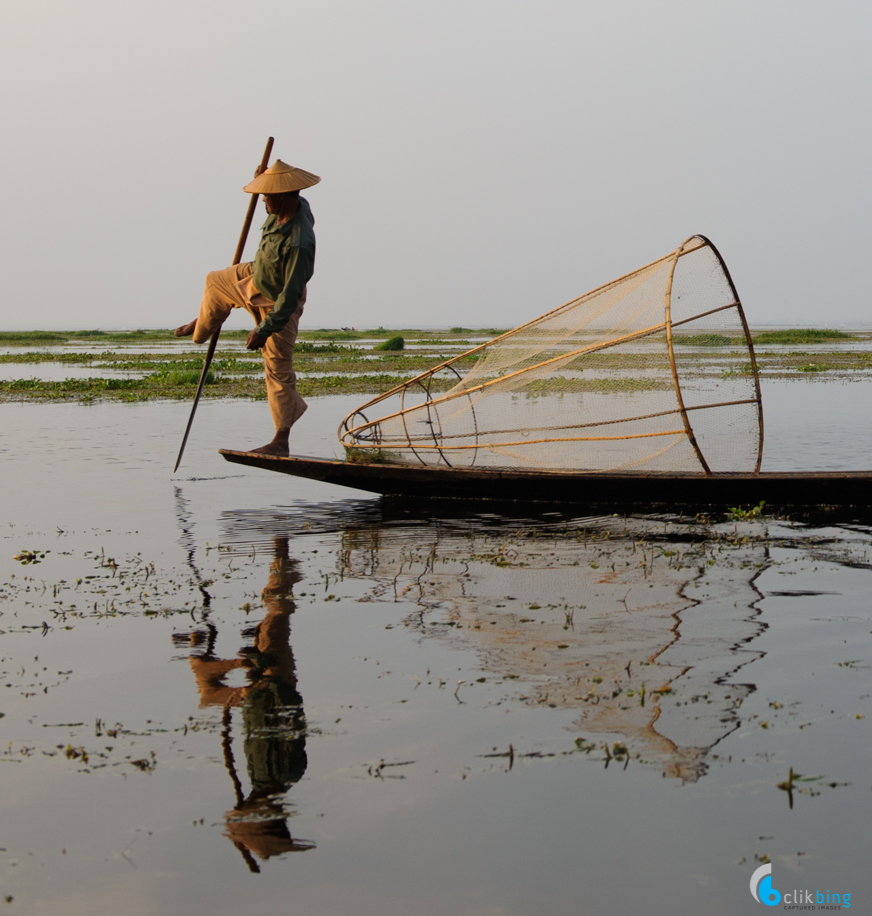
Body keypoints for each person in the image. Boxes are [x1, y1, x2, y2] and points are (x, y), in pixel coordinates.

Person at [175, 159, 320, 456]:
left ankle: (281, 440)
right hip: (255, 274)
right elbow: (285, 194)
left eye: (267, 195)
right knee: (215, 281)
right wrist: (262, 179)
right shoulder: (294, 204)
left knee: (278, 370)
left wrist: (264, 330)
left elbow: (290, 296)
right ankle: (205, 320)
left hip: (278, 302)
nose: (263, 200)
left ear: (283, 196)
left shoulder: (299, 243)